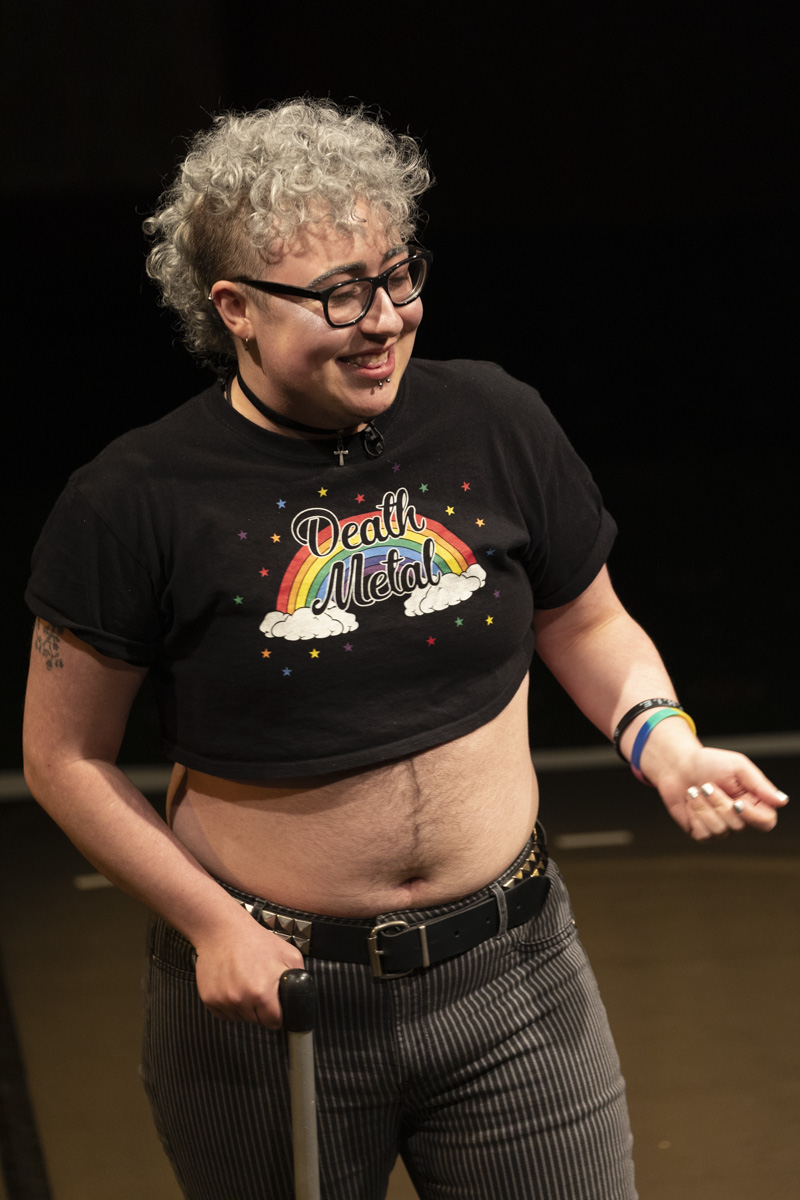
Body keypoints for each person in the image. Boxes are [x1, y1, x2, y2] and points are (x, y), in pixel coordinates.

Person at [22, 99, 788, 1200]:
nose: (383, 318)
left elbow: (583, 619)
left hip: (514, 977)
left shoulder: (494, 419)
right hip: (274, 1000)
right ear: (235, 308)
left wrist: (661, 741)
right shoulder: (133, 499)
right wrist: (210, 927)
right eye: (339, 293)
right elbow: (64, 758)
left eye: (396, 276)